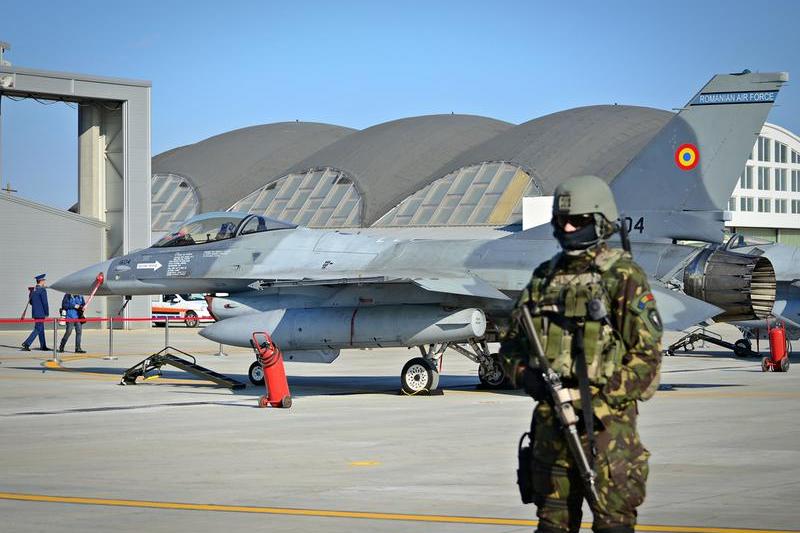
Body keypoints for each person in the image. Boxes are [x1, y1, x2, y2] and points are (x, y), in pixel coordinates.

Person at [499, 175, 663, 533]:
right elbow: (510, 346)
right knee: (552, 526)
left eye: (580, 221)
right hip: (551, 429)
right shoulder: (543, 278)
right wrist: (527, 377)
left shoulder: (621, 276)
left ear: (602, 222)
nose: (569, 227)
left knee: (613, 526)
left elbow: (647, 358)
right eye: (562, 221)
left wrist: (600, 399)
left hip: (607, 434)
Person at [21, 274, 50, 351]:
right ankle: (27, 343)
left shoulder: (33, 290)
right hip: (41, 313)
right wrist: (46, 312)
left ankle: (43, 346)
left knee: (41, 329)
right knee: (38, 328)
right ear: (41, 281)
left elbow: (31, 302)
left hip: (35, 312)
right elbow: (45, 303)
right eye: (44, 280)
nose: (44, 282)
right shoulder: (42, 290)